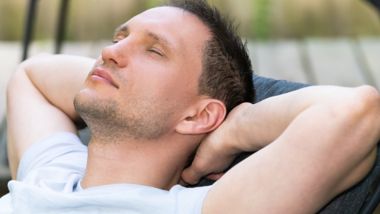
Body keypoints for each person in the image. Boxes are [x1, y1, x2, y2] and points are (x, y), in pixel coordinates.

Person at [1, 0, 380, 213]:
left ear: (199, 115)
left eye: (154, 50)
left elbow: (357, 111)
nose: (109, 52)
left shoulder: (202, 209)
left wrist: (235, 129)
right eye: (120, 38)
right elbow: (32, 75)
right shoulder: (52, 170)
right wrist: (115, 81)